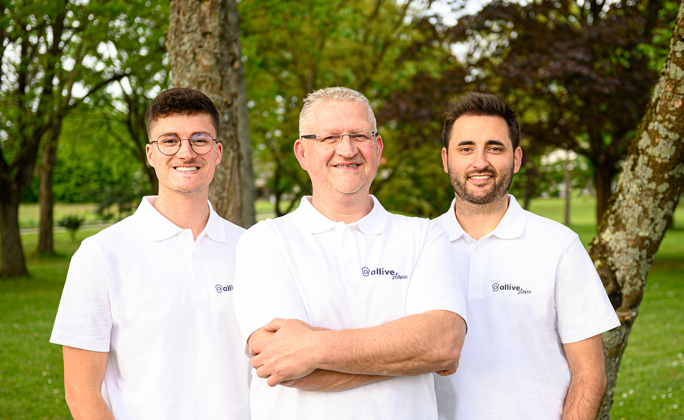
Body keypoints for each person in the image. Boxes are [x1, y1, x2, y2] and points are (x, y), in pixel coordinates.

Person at [233, 86, 468, 420]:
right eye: (329, 137)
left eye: (359, 135)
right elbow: (280, 364)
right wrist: (411, 357)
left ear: (377, 147)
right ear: (302, 153)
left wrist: (310, 348)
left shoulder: (424, 236)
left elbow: (443, 343)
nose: (347, 149)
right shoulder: (264, 241)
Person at [50, 88, 251, 420]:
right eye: (170, 141)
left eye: (199, 140)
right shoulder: (100, 255)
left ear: (217, 152)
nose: (186, 152)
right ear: (150, 153)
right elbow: (81, 393)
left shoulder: (250, 248)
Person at [433, 92, 621, 420]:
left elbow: (589, 374)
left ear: (516, 159)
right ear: (446, 159)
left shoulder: (560, 246)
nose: (480, 162)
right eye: (466, 148)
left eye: (495, 148)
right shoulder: (420, 245)